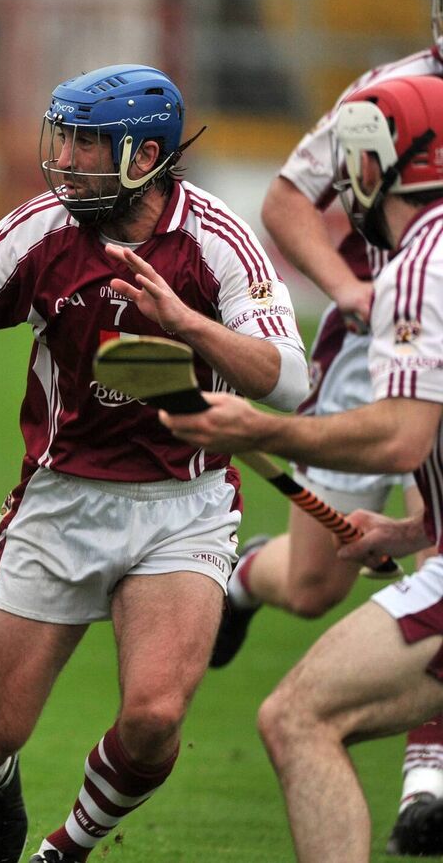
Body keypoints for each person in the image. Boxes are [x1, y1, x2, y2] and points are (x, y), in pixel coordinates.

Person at [0, 64, 309, 863]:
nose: (69, 159)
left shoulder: (217, 240)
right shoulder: (43, 230)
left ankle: (68, 848)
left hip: (182, 506)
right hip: (62, 503)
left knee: (155, 720)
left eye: (91, 144)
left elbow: (290, 381)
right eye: (67, 138)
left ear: (146, 156)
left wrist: (187, 323)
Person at [161, 73, 443, 863]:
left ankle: (427, 779)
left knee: (297, 717)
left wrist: (263, 429)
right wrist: (417, 525)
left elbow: (400, 442)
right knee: (315, 587)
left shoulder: (422, 264)